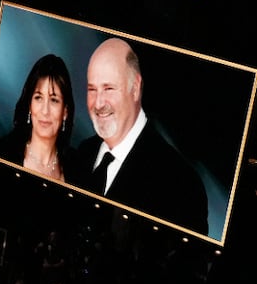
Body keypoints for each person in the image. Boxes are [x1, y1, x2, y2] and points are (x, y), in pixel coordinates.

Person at [69, 37, 208, 235]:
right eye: (92, 89)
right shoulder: (83, 153)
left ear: (135, 88)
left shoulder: (180, 183)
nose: (98, 103)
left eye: (108, 88)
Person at [0, 53, 76, 182]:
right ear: (30, 106)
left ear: (65, 111)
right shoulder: (2, 153)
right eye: (38, 98)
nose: (45, 111)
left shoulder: (76, 167)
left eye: (54, 100)